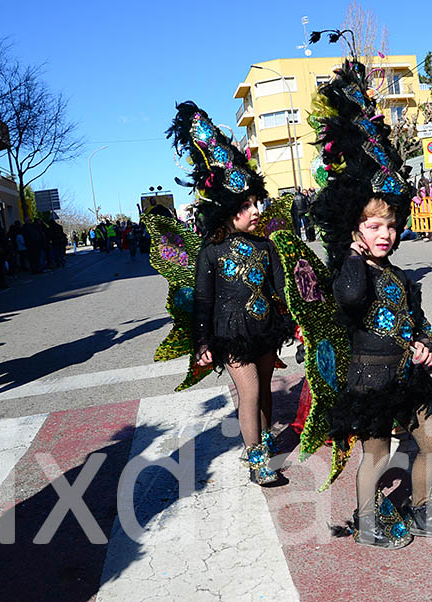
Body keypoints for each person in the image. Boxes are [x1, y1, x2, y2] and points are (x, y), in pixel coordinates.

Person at [308, 57, 432, 549]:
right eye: (373, 226)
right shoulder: (349, 271)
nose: (385, 234)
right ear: (353, 227)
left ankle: (422, 508)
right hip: (370, 380)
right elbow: (352, 299)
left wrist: (424, 343)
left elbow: (418, 318)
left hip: (407, 376)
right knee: (375, 456)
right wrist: (351, 254)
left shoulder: (397, 274)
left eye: (391, 225)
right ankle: (367, 521)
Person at [170, 102, 295, 485]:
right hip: (231, 333)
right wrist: (203, 340)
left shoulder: (266, 246)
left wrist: (295, 320)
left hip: (264, 329)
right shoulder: (211, 252)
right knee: (250, 391)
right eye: (245, 206)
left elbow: (281, 290)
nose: (255, 210)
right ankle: (256, 460)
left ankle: (265, 441)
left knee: (266, 393)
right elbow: (204, 300)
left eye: (256, 203)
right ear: (226, 210)